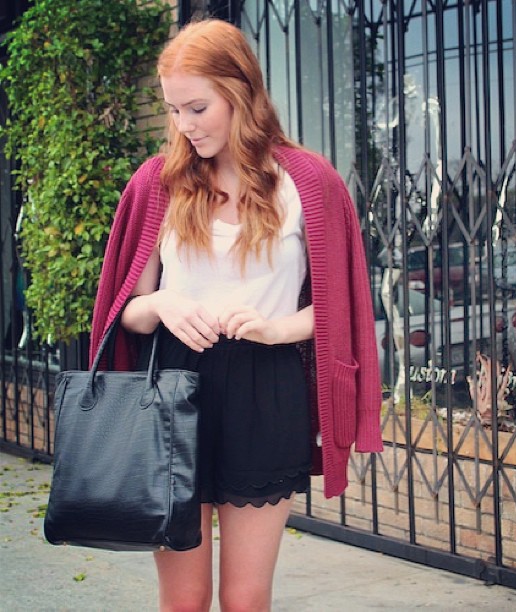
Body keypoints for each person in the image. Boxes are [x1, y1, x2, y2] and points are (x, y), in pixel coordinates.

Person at [89, 18, 382, 612]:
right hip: (171, 391)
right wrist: (163, 303)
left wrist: (276, 328)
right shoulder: (158, 183)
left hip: (265, 387)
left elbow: (341, 313)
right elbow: (127, 313)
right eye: (173, 110)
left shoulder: (308, 183)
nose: (184, 125)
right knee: (185, 599)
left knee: (246, 599)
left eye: (197, 108)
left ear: (240, 91)